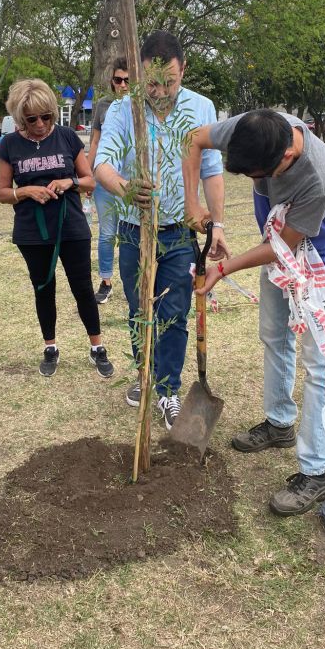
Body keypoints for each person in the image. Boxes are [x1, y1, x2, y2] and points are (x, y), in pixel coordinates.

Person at [183, 108, 325, 516]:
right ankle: (279, 423)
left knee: (318, 364)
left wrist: (223, 268)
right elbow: (193, 139)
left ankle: (316, 472)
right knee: (273, 337)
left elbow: (284, 247)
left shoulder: (319, 178)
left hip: (320, 258)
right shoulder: (251, 128)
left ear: (286, 161)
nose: (257, 183)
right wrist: (194, 204)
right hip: (276, 242)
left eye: (261, 175)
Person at [94, 31, 228, 429]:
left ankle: (168, 391)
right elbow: (102, 165)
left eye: (170, 81)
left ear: (183, 70)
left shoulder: (202, 109)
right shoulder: (124, 110)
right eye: (152, 82)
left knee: (174, 313)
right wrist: (126, 188)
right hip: (136, 233)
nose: (161, 91)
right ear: (139, 76)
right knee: (140, 312)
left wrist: (216, 224)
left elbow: (212, 172)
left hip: (180, 234)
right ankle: (145, 374)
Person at [0, 78, 114, 379]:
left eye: (46, 116)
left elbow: (90, 181)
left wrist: (69, 182)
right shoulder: (9, 144)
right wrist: (26, 192)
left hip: (70, 225)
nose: (39, 124)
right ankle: (50, 346)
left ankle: (97, 347)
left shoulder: (66, 137)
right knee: (43, 289)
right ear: (19, 117)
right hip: (32, 232)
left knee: (82, 288)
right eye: (30, 119)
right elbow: (2, 193)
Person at [86, 57, 129, 304]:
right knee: (107, 234)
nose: (122, 85)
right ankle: (106, 281)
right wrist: (90, 176)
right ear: (112, 81)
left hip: (131, 182)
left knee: (130, 233)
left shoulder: (141, 106)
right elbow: (95, 142)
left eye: (127, 80)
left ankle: (133, 278)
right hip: (105, 180)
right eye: (118, 80)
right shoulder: (103, 105)